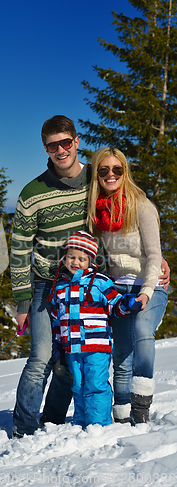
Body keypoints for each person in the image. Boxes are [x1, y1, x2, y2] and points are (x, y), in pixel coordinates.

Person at [10, 115, 106, 438]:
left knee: (71, 358)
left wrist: (155, 255)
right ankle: (24, 429)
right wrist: (23, 302)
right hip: (44, 286)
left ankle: (51, 422)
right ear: (46, 149)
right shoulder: (32, 193)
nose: (61, 150)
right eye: (54, 145)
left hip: (82, 286)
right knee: (41, 356)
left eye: (66, 142)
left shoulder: (96, 180)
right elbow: (20, 249)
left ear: (76, 142)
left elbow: (127, 206)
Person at [88, 147, 168, 425]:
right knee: (121, 352)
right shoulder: (96, 212)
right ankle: (121, 412)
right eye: (104, 170)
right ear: (97, 174)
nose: (111, 175)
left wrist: (146, 291)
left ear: (125, 172)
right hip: (118, 289)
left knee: (142, 329)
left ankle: (141, 407)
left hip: (151, 284)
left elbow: (154, 255)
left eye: (117, 170)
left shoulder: (141, 206)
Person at [48, 230, 141, 428]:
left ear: (90, 260)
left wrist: (126, 303)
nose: (75, 262)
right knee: (78, 386)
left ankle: (99, 425)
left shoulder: (100, 282)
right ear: (64, 258)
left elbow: (114, 304)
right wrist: (57, 345)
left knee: (96, 385)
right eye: (71, 256)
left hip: (96, 346)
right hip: (72, 348)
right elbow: (57, 319)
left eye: (82, 259)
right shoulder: (59, 287)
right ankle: (83, 423)